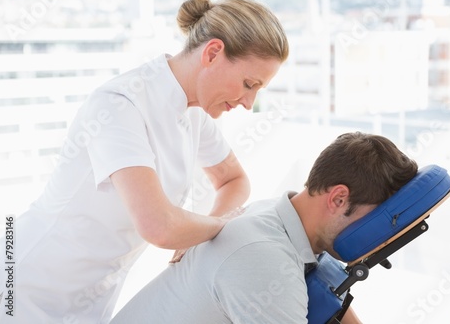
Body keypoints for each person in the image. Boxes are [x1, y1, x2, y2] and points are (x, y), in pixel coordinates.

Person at [0, 0, 288, 324]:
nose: (250, 103)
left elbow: (234, 180)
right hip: (24, 284)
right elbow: (159, 226)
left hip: (91, 297)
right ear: (212, 53)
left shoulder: (196, 113)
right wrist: (220, 227)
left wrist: (200, 232)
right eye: (249, 84)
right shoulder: (121, 104)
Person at [109, 132, 418, 324]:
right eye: (377, 221)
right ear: (338, 198)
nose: (377, 238)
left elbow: (331, 308)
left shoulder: (277, 217)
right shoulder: (264, 258)